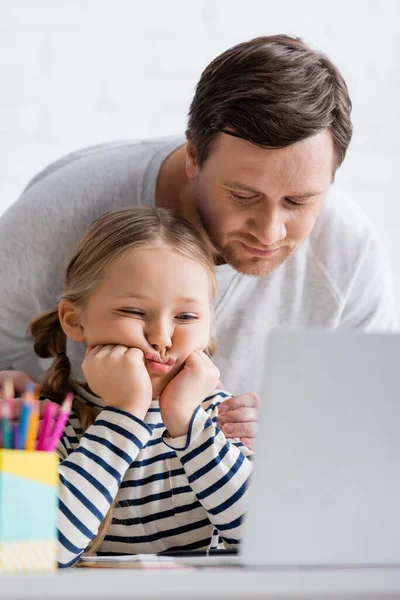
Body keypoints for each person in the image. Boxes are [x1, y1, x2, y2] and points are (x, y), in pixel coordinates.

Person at [0, 35, 396, 445]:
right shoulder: (61, 213)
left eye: (299, 201)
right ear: (193, 157)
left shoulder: (348, 254)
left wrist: (297, 436)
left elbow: (371, 426)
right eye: (243, 196)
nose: (269, 232)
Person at [28, 206, 252, 567]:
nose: (161, 337)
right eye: (134, 312)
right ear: (74, 320)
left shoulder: (226, 421)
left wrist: (185, 420)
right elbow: (35, 552)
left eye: (186, 317)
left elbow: (267, 543)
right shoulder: (43, 424)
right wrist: (124, 413)